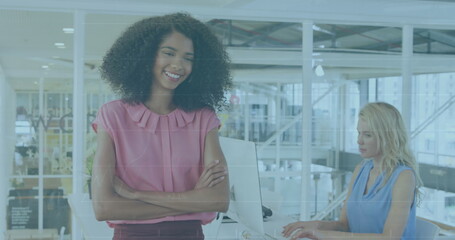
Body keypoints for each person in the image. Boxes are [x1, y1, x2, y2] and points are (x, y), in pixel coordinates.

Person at [90, 12, 232, 240]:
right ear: (146, 55)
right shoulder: (113, 115)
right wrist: (193, 200)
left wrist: (135, 194)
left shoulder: (204, 119)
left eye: (189, 58)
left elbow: (218, 200)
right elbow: (103, 207)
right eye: (168, 53)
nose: (178, 64)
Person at [282, 102, 423, 240]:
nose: (359, 141)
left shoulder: (403, 177)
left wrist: (324, 235)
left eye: (367, 135)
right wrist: (314, 226)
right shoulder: (361, 169)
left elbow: (389, 238)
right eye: (359, 133)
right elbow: (344, 225)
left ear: (387, 137)